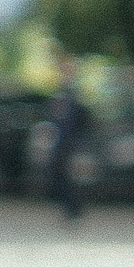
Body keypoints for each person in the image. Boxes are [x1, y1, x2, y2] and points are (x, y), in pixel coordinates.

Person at [45, 56, 93, 222]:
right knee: (61, 178)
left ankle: (74, 211)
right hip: (61, 144)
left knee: (72, 179)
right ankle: (69, 210)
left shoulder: (74, 95)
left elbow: (80, 121)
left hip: (71, 144)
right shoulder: (60, 94)